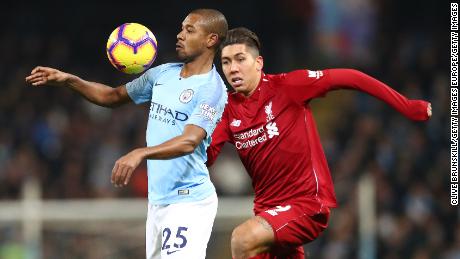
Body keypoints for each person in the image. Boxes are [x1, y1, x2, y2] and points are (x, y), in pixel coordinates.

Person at [206, 27, 432, 259]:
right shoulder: (226, 111)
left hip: (305, 205)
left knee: (242, 238)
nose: (233, 68)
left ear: (258, 62)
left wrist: (407, 105)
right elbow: (205, 157)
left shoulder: (288, 87)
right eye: (225, 62)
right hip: (268, 214)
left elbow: (351, 77)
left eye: (240, 59)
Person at [25, 9, 228, 259]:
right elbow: (112, 96)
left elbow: (190, 140)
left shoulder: (212, 89)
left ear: (211, 40)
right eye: (181, 28)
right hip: (158, 200)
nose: (179, 35)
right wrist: (69, 80)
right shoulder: (162, 74)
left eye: (189, 30)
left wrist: (141, 152)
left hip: (189, 201)